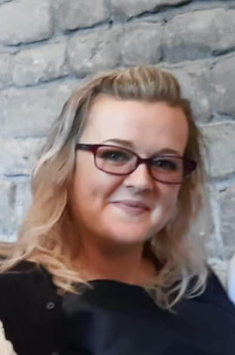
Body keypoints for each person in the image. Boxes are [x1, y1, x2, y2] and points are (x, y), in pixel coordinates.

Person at [0, 66, 234, 355]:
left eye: (164, 163)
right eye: (114, 155)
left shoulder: (194, 282)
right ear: (65, 166)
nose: (141, 182)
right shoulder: (14, 296)